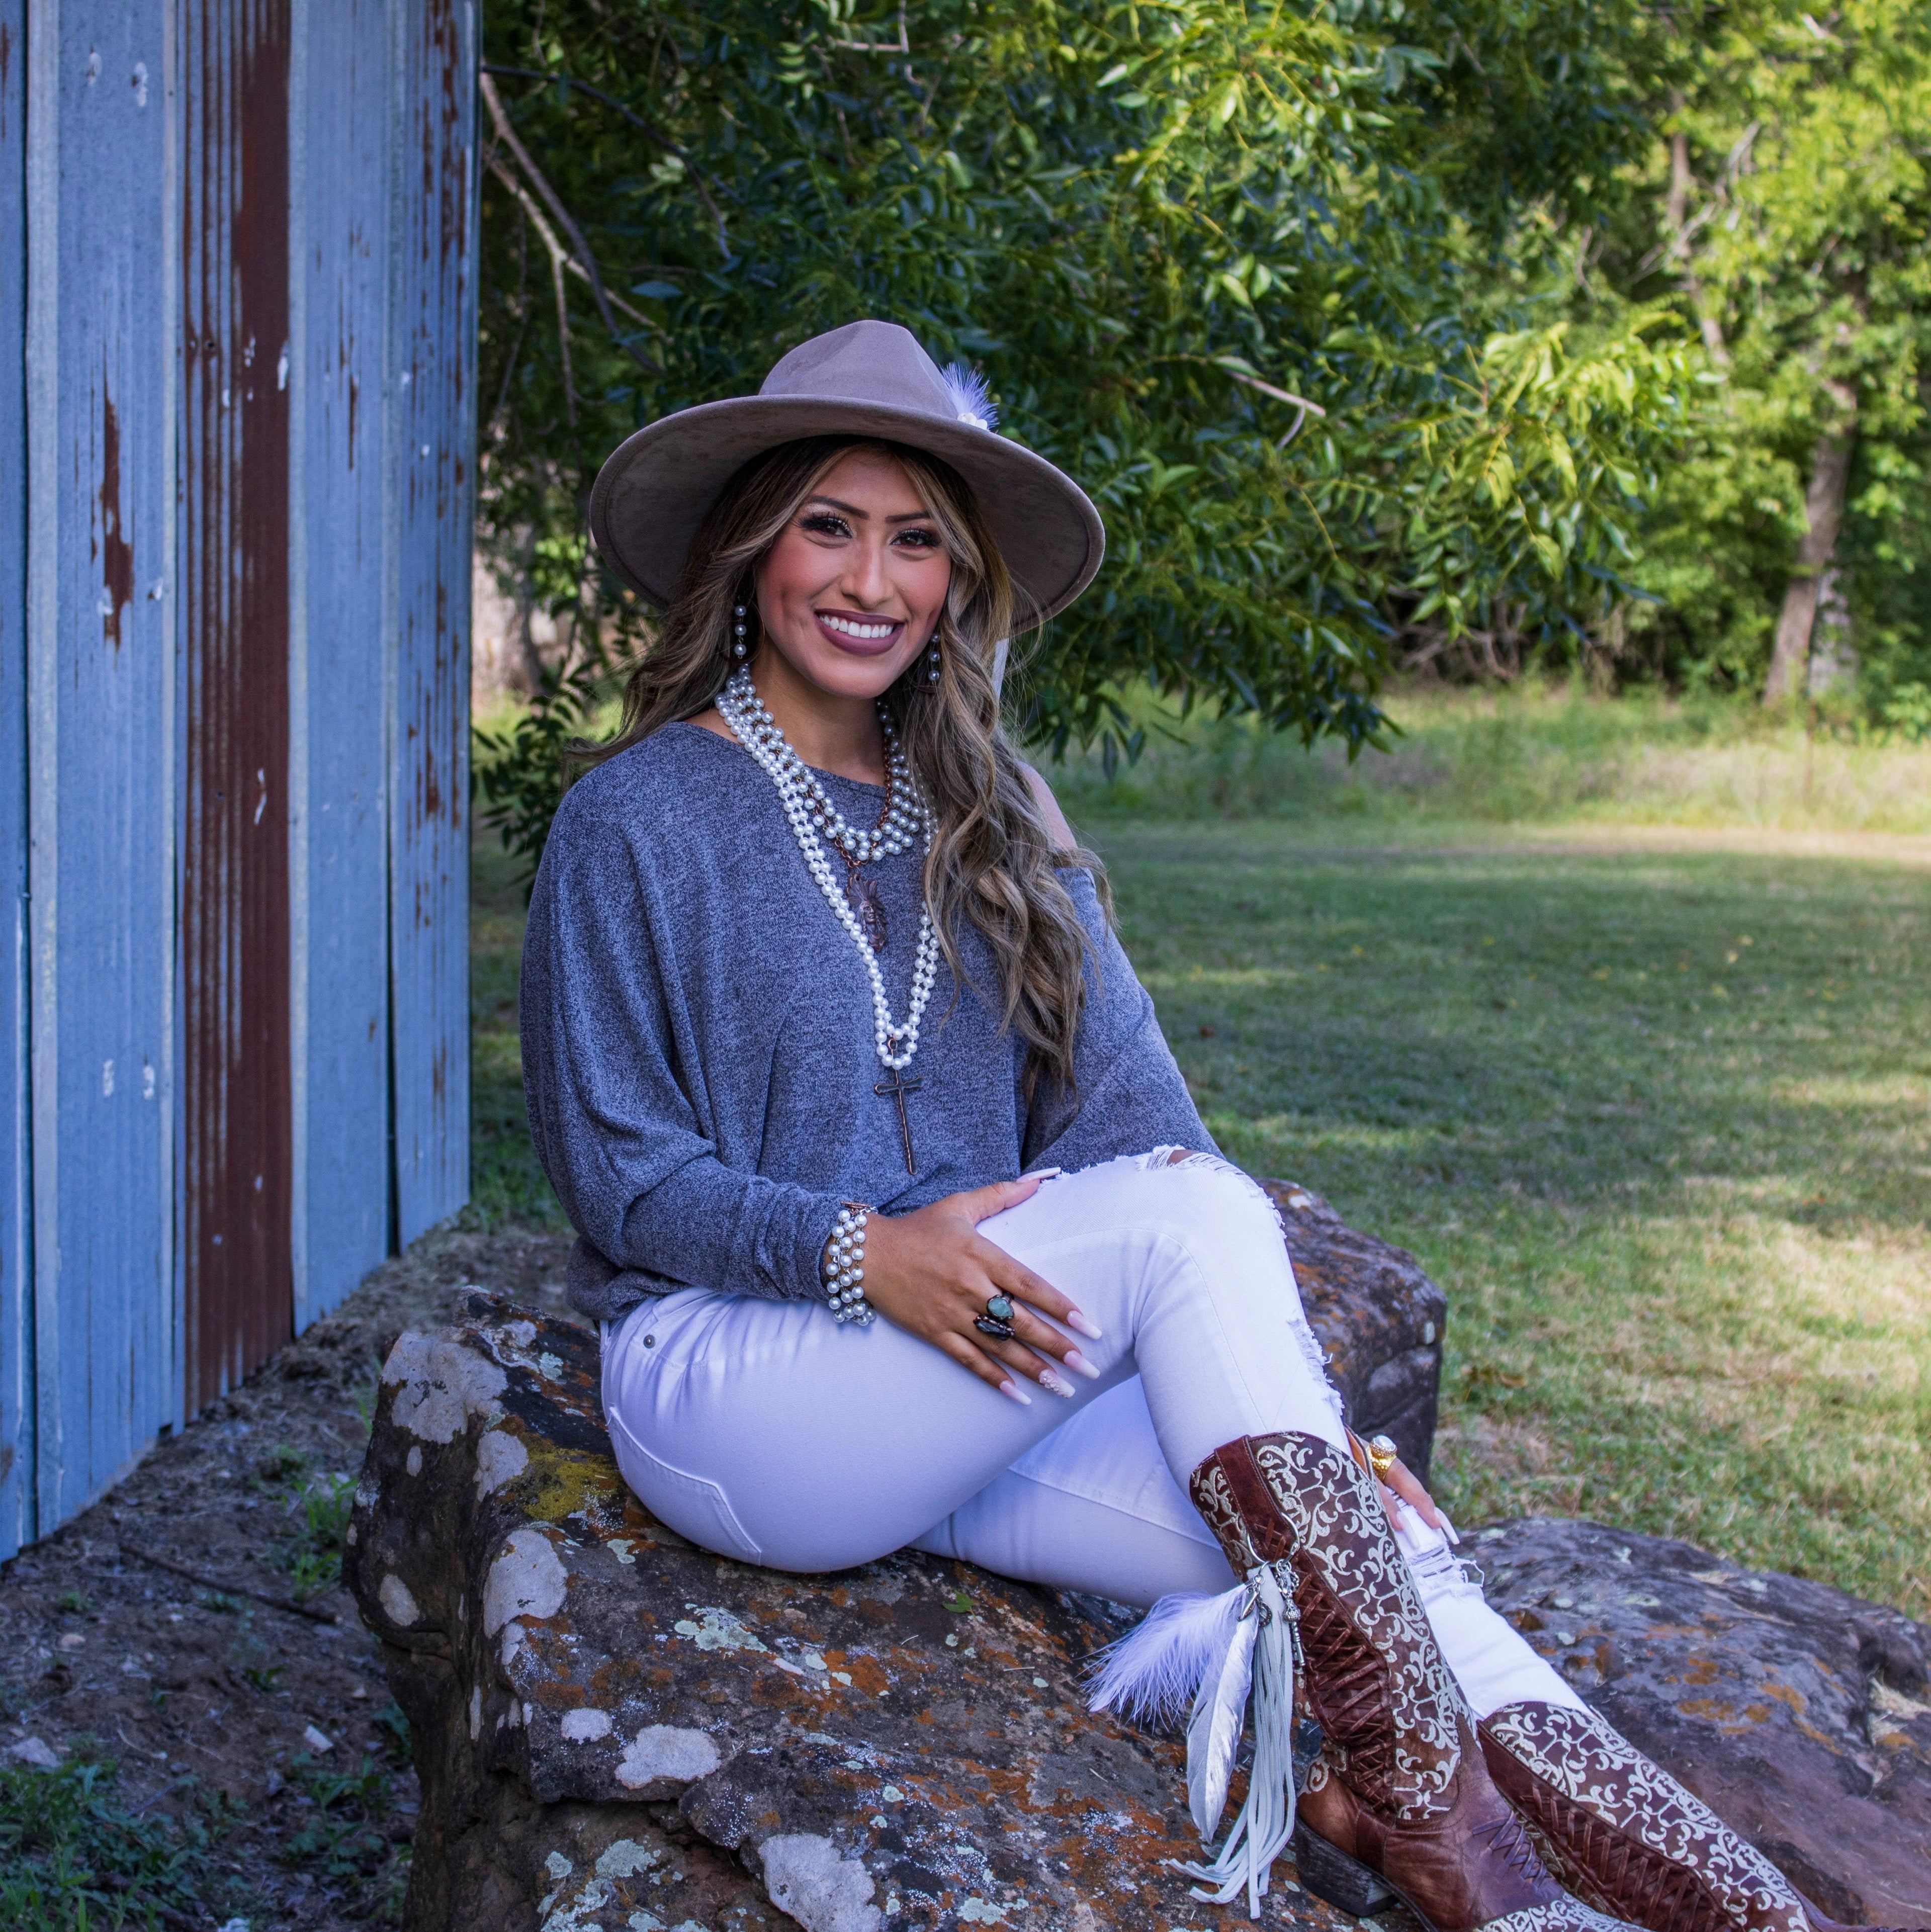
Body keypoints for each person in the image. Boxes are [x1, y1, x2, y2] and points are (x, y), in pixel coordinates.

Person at [520, 321, 1885, 1932]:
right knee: (1189, 1220)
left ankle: (1703, 1909)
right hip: (734, 1380)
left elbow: (1138, 1115)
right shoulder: (636, 817)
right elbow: (619, 1173)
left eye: (917, 541)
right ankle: (1447, 1831)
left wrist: (1321, 1439)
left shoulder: (993, 819)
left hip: (973, 1396)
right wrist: (861, 1251)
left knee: (1375, 1560)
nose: (871, 579)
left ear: (960, 582)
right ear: (750, 547)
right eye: (830, 524)